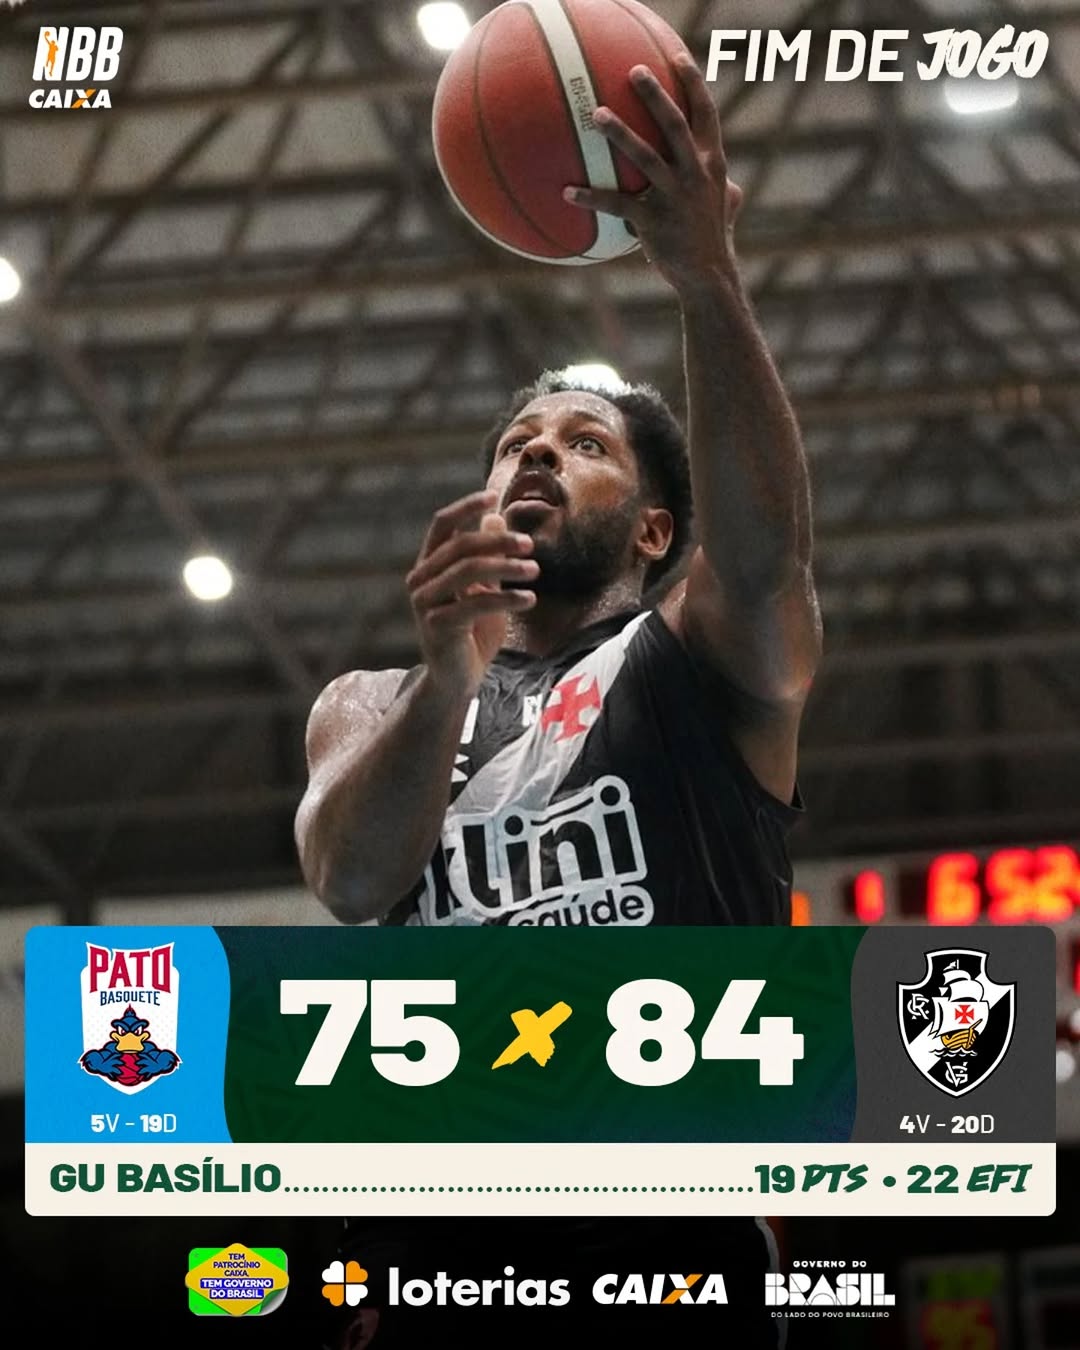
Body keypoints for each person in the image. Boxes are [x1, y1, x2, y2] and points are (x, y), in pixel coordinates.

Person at [299, 54, 819, 1348]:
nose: (537, 452)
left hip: (669, 1247)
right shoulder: (372, 701)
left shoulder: (695, 661)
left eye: (584, 443)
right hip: (445, 1256)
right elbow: (354, 880)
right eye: (516, 446)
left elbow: (765, 560)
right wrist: (449, 672)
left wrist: (706, 277)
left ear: (654, 530)